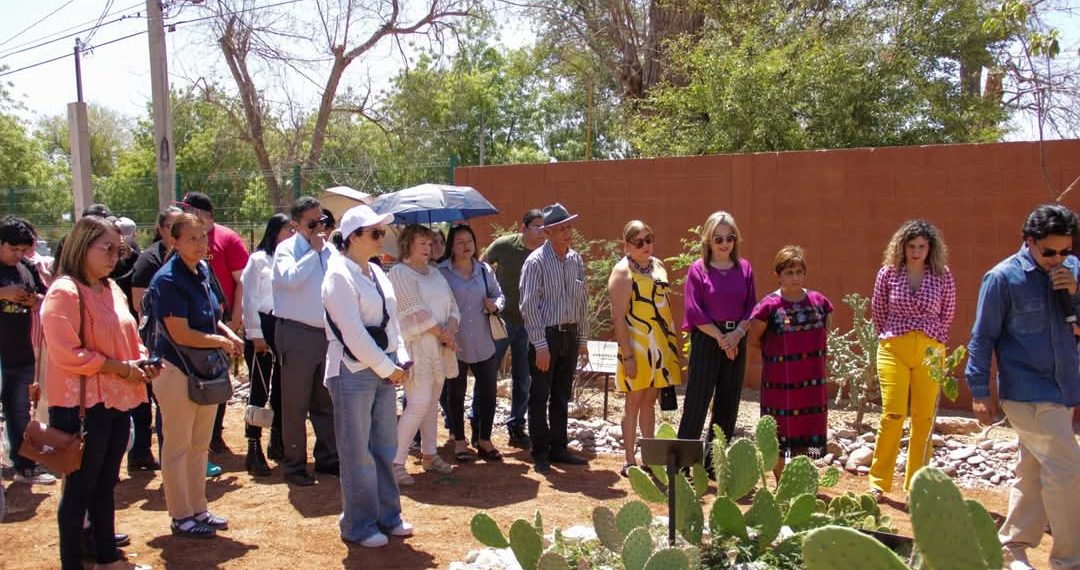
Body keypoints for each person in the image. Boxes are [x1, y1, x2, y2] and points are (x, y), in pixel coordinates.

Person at [966, 204, 1080, 570]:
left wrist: (1074, 294)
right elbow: (983, 338)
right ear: (1028, 242)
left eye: (1065, 251)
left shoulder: (1073, 272)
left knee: (1032, 468)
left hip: (1064, 387)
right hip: (1026, 391)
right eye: (1049, 252)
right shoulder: (1002, 278)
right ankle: (1069, 560)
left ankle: (1013, 547)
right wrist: (979, 391)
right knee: (1067, 470)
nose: (1058, 258)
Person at [42, 215, 159, 569]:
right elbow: (66, 353)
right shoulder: (65, 291)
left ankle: (108, 558)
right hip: (81, 405)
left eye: (118, 249)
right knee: (80, 490)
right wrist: (121, 367)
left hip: (117, 399)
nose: (115, 256)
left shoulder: (111, 289)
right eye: (106, 248)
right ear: (82, 246)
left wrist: (142, 361)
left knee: (105, 484)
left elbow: (131, 337)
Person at [147, 213, 244, 538]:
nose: (201, 244)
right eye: (191, 238)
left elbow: (211, 315)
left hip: (204, 369)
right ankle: (181, 515)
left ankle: (198, 508)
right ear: (173, 241)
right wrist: (219, 340)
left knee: (200, 445)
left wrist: (227, 334)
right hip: (176, 370)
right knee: (178, 445)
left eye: (203, 237)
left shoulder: (202, 270)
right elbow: (181, 333)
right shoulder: (167, 279)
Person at [322, 205, 414, 548]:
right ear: (353, 237)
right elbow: (353, 333)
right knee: (357, 451)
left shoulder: (376, 272)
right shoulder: (337, 275)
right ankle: (359, 525)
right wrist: (387, 367)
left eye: (382, 232)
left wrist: (401, 359)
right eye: (375, 233)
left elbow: (392, 322)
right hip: (351, 372)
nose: (382, 238)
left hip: (383, 369)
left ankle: (389, 517)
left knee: (385, 447)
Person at [867, 219, 955, 502]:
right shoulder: (889, 273)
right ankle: (878, 481)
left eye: (922, 246)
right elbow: (878, 309)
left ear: (931, 248)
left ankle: (918, 483)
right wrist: (891, 337)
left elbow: (948, 311)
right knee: (892, 414)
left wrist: (936, 339)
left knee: (923, 418)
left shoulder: (943, 275)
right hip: (894, 347)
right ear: (902, 247)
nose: (917, 251)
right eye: (911, 246)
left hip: (930, 351)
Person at [746, 246, 833, 480]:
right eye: (789, 272)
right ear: (779, 275)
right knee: (780, 433)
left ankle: (806, 477)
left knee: (812, 431)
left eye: (798, 272)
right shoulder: (769, 307)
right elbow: (753, 340)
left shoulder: (819, 302)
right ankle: (781, 483)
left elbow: (824, 334)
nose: (794, 277)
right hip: (781, 386)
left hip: (812, 386)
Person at [677, 211, 756, 465]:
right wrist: (723, 338)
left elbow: (751, 307)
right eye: (718, 238)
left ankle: (715, 466)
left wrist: (736, 335)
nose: (724, 243)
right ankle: (681, 466)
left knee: (728, 402)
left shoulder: (745, 268)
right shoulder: (698, 270)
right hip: (708, 339)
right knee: (697, 401)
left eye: (729, 237)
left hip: (736, 339)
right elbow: (694, 310)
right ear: (708, 240)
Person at [273, 197, 339, 486]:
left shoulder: (331, 250)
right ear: (296, 224)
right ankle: (295, 465)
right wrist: (313, 253)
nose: (319, 227)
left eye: (322, 221)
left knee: (325, 401)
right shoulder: (286, 250)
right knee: (295, 403)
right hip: (296, 333)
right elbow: (290, 280)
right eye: (312, 223)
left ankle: (327, 458)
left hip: (325, 334)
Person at [607, 220, 682, 476]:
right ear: (626, 245)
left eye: (649, 239)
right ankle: (629, 460)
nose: (646, 245)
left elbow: (665, 307)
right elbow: (618, 317)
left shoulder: (658, 265)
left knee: (650, 401)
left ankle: (649, 457)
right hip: (636, 346)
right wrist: (627, 355)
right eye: (639, 241)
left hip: (659, 346)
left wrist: (671, 345)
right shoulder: (622, 272)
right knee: (633, 402)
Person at [520, 203, 590, 473]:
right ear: (547, 232)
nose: (567, 232)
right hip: (546, 336)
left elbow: (583, 302)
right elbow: (529, 306)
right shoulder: (535, 262)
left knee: (561, 395)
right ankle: (540, 452)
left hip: (569, 334)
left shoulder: (576, 260)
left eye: (569, 227)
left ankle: (559, 448)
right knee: (539, 395)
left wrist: (582, 340)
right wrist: (540, 345)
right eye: (561, 228)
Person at [178, 192, 249, 454]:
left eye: (194, 211)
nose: (190, 215)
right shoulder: (179, 243)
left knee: (216, 378)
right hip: (186, 324)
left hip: (219, 322)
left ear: (208, 216)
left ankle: (214, 434)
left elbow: (242, 281)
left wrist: (236, 318)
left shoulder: (228, 238)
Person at [388, 224, 459, 485]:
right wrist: (443, 334)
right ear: (408, 244)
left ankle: (430, 455)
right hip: (418, 347)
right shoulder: (399, 273)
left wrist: (450, 330)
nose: (428, 249)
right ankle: (395, 462)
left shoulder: (435, 274)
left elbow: (452, 306)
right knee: (417, 404)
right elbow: (414, 311)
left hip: (440, 347)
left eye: (430, 244)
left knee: (431, 405)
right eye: (422, 244)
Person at [439, 224, 506, 462]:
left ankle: (484, 439)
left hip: (483, 340)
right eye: (460, 242)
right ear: (451, 246)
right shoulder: (441, 272)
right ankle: (459, 440)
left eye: (469, 240)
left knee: (488, 391)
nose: (466, 246)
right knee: (455, 393)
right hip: (454, 342)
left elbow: (500, 294)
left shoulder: (484, 270)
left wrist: (495, 305)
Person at [128, 205, 185, 474]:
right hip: (156, 342)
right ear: (161, 229)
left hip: (183, 345)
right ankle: (146, 452)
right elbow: (139, 303)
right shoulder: (149, 260)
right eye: (173, 227)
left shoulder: (193, 261)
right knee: (151, 401)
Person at [0, 215, 55, 485]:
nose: (18, 255)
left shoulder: (26, 267)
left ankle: (25, 466)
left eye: (23, 250)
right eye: (13, 249)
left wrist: (35, 301)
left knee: (20, 410)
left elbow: (47, 298)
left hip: (20, 352)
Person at [482, 209, 544, 448]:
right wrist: (488, 298)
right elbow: (482, 267)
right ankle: (479, 424)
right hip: (500, 320)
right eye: (536, 226)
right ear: (524, 227)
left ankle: (516, 426)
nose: (541, 232)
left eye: (543, 227)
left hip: (529, 323)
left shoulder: (544, 254)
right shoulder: (505, 245)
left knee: (523, 377)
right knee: (488, 372)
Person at [239, 213, 294, 476]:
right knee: (259, 388)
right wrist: (255, 334)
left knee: (282, 387)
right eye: (286, 229)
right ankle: (253, 446)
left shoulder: (289, 259)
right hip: (262, 326)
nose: (291, 234)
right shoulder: (258, 260)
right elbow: (249, 299)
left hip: (283, 326)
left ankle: (277, 439)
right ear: (274, 231)